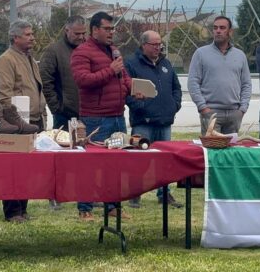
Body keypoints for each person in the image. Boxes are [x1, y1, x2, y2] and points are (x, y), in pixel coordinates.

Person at [71, 11, 134, 221]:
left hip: (117, 116)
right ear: (95, 30)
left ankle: (113, 206)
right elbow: (83, 80)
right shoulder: (82, 52)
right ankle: (85, 208)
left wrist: (133, 89)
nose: (111, 33)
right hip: (95, 119)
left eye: (112, 29)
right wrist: (110, 69)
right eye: (107, 29)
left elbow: (123, 77)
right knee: (91, 165)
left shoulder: (114, 51)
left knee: (116, 166)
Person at [0, 20, 47, 223]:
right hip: (18, 124)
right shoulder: (6, 60)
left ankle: (23, 208)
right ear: (15, 38)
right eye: (28, 34)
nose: (32, 37)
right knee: (13, 170)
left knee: (28, 171)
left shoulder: (30, 59)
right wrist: (16, 122)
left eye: (32, 34)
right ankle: (12, 211)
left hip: (35, 120)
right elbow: (5, 96)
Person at [125, 30, 183, 209]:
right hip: (143, 123)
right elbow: (126, 91)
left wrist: (174, 105)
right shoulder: (131, 64)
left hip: (165, 122)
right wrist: (141, 107)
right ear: (144, 45)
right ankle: (135, 193)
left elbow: (176, 87)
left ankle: (164, 194)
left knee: (164, 161)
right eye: (155, 44)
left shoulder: (165, 63)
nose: (159, 48)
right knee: (139, 160)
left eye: (160, 44)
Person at [40, 15, 86, 211]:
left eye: (84, 33)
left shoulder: (88, 50)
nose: (81, 37)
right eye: (77, 33)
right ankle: (55, 195)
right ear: (66, 31)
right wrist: (56, 106)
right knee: (59, 157)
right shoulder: (53, 51)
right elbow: (46, 80)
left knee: (84, 157)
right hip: (63, 113)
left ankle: (83, 193)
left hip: (86, 113)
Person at [188, 16, 252, 135]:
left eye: (222, 28)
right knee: (212, 152)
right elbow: (193, 82)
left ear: (230, 32)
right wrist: (203, 108)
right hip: (211, 113)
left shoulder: (240, 55)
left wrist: (242, 109)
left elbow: (246, 84)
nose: (218, 31)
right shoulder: (201, 54)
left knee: (231, 152)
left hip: (234, 114)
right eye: (215, 28)